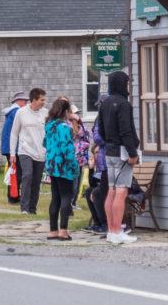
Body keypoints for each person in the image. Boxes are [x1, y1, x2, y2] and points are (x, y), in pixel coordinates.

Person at [97, 71, 139, 244]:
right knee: (121, 191)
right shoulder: (124, 104)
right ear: (122, 83)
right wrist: (132, 153)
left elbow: (100, 130)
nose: (128, 86)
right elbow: (126, 130)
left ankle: (110, 230)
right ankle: (116, 231)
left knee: (112, 190)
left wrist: (109, 142)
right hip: (123, 152)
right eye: (127, 83)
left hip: (109, 151)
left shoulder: (104, 103)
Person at [43, 98, 78, 240]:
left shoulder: (49, 126)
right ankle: (63, 230)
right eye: (69, 111)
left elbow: (44, 143)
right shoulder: (64, 128)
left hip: (51, 166)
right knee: (66, 197)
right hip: (64, 167)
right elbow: (67, 149)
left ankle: (52, 230)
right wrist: (74, 166)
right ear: (65, 112)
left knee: (55, 197)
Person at [9, 87, 47, 214]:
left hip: (40, 152)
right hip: (25, 150)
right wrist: (12, 153)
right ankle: (24, 208)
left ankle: (32, 208)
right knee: (27, 175)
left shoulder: (45, 113)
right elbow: (14, 133)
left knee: (36, 181)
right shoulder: (21, 112)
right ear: (34, 100)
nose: (44, 102)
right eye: (42, 100)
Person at [85, 94, 109, 234]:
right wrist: (91, 167)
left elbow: (99, 137)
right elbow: (93, 181)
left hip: (111, 169)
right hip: (102, 171)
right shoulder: (98, 120)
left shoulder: (107, 120)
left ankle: (106, 224)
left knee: (98, 193)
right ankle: (98, 223)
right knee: (90, 191)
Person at [1, 91, 28, 204]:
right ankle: (13, 197)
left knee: (14, 172)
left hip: (9, 147)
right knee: (17, 173)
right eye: (25, 101)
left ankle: (14, 195)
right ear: (20, 101)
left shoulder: (12, 112)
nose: (26, 103)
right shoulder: (17, 112)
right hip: (14, 148)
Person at [69, 104, 90, 210]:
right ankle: (70, 202)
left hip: (80, 158)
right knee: (73, 181)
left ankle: (74, 202)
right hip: (72, 158)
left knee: (78, 182)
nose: (77, 115)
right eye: (75, 113)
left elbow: (87, 135)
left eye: (78, 113)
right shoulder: (68, 125)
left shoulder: (81, 125)